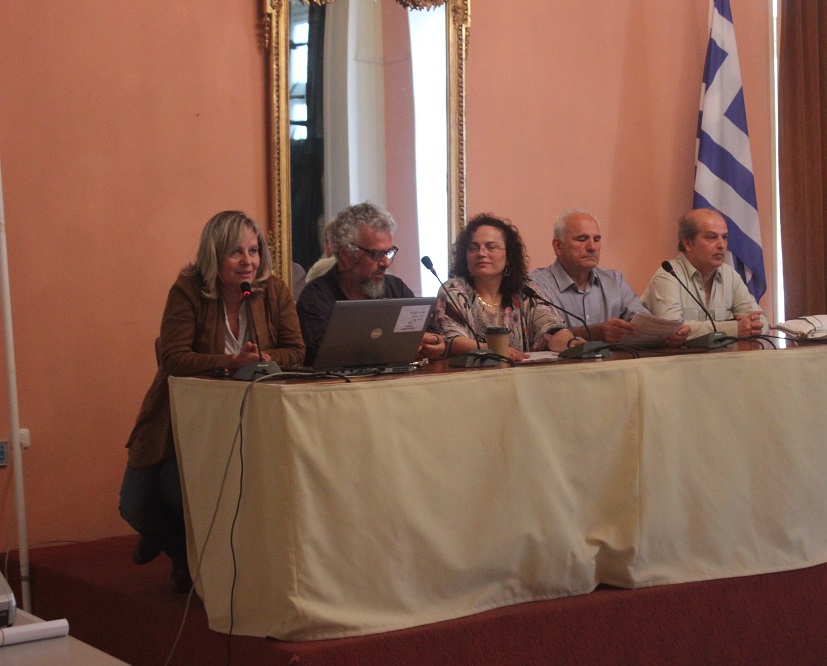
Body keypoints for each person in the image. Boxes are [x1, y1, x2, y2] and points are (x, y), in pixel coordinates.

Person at [120, 210, 305, 593]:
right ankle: (176, 546)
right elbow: (173, 357)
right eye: (236, 252)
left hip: (251, 417)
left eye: (253, 250)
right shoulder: (188, 289)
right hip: (181, 414)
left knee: (176, 491)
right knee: (135, 505)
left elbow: (296, 351)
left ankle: (190, 563)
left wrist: (264, 359)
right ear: (213, 256)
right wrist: (229, 362)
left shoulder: (273, 290)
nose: (248, 261)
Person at [296, 202, 446, 365]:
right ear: (346, 254)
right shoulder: (315, 299)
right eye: (376, 254)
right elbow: (321, 356)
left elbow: (429, 331)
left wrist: (434, 342)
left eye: (389, 252)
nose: (386, 262)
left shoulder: (395, 288)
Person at [434, 213, 585, 361]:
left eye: (491, 247)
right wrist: (493, 350)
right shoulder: (454, 290)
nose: (481, 253)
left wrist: (571, 343)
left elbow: (551, 328)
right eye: (473, 248)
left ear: (508, 257)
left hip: (520, 375)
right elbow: (451, 339)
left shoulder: (525, 290)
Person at [530, 210, 689, 345]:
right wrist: (596, 332)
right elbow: (544, 335)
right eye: (582, 239)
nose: (592, 247)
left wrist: (667, 334)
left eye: (597, 239)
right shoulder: (536, 285)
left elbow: (641, 322)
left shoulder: (614, 281)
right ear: (558, 246)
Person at [641, 208, 768, 339]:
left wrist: (753, 326)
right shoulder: (668, 275)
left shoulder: (729, 275)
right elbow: (672, 329)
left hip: (721, 352)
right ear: (688, 243)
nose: (722, 245)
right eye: (711, 237)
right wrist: (734, 328)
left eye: (724, 237)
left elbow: (761, 319)